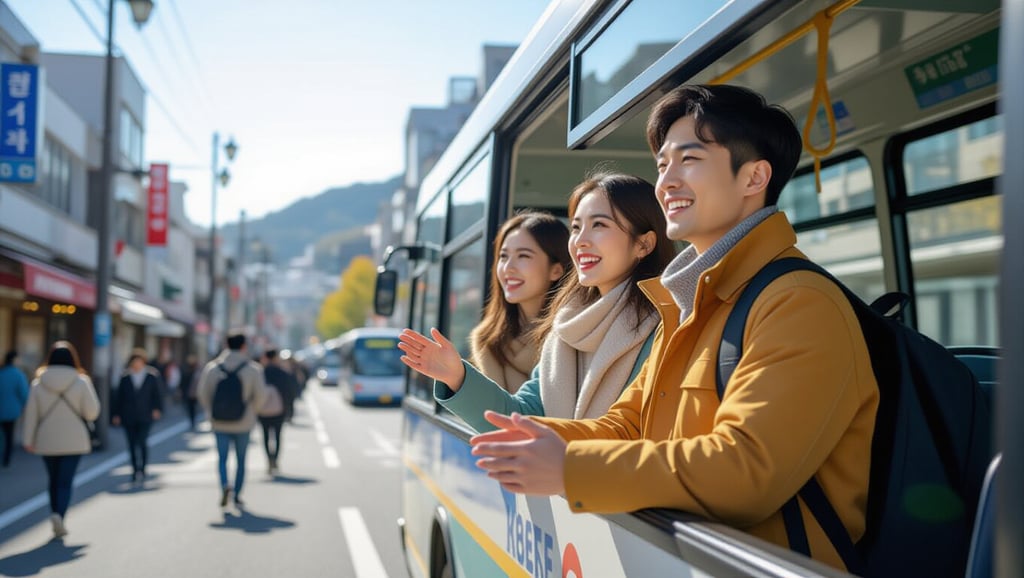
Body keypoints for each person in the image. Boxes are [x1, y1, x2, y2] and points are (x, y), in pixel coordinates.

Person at [467, 85, 879, 572]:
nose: (666, 182)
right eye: (663, 165)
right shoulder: (688, 305)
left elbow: (747, 472)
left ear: (754, 177)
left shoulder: (799, 303)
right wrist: (531, 438)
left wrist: (568, 468)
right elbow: (627, 426)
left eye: (690, 160)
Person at [400, 172, 676, 432]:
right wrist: (458, 377)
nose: (580, 240)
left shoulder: (666, 326)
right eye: (576, 227)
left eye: (599, 225)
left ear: (644, 244)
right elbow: (521, 418)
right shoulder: (563, 330)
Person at [469, 211, 571, 393]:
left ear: (556, 270)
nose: (508, 268)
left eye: (523, 256)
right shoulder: (488, 341)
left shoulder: (573, 334)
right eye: (503, 256)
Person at [20, 341, 100, 538]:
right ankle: (60, 516)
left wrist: (27, 440)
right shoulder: (81, 382)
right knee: (65, 481)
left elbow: (31, 415)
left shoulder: (38, 384)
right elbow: (92, 413)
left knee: (53, 479)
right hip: (75, 439)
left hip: (47, 439)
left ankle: (54, 511)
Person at [197, 332, 266, 507]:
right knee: (241, 460)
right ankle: (237, 494)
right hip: (243, 422)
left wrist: (212, 410)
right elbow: (261, 396)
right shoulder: (253, 369)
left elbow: (203, 394)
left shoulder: (212, 368)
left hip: (219, 421)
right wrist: (251, 412)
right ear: (244, 346)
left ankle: (224, 485)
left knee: (222, 458)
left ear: (226, 345)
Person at [110, 348, 164, 483]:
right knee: (131, 444)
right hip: (128, 415)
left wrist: (157, 409)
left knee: (142, 441)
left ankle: (143, 468)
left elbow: (158, 395)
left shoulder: (151, 375)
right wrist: (116, 414)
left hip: (146, 414)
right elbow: (118, 398)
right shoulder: (125, 377)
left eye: (139, 361)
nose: (137, 364)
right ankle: (135, 470)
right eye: (134, 362)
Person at [258, 348, 298, 474]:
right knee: (278, 436)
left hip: (262, 410)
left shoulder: (260, 373)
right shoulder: (282, 373)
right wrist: (287, 409)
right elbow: (291, 391)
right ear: (275, 358)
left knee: (265, 437)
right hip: (279, 410)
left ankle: (269, 459)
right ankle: (275, 459)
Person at [0, 350, 30, 468]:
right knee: (8, 436)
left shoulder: (1, 373)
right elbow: (24, 394)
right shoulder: (18, 375)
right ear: (14, 360)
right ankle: (6, 459)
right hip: (12, 411)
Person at [180, 354, 201, 429]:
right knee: (190, 408)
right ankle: (192, 421)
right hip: (189, 393)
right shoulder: (186, 370)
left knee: (193, 408)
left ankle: (193, 420)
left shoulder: (198, 371)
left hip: (195, 393)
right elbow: (182, 382)